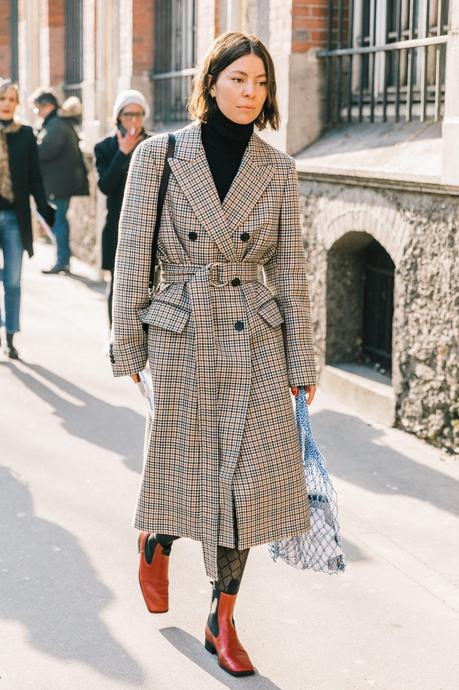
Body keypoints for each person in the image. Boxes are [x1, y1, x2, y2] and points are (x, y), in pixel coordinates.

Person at [110, 32, 317, 677]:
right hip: (179, 328)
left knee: (246, 480)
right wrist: (128, 341)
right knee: (177, 460)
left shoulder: (277, 169)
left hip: (253, 338)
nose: (249, 92)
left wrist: (301, 359)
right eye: (237, 79)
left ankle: (222, 616)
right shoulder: (160, 156)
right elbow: (132, 252)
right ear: (211, 82)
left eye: (259, 82)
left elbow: (293, 270)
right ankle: (159, 538)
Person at [0, 79, 55, 359]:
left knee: (12, 280)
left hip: (13, 216)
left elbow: (35, 176)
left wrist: (45, 208)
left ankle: (10, 337)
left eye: (11, 99)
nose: (7, 104)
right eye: (2, 99)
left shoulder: (25, 134)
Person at [94, 90, 151, 328]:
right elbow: (106, 185)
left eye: (139, 114)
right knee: (117, 285)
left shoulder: (153, 144)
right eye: (129, 114)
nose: (134, 121)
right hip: (117, 225)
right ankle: (114, 337)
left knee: (148, 287)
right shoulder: (105, 148)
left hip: (149, 225)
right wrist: (123, 152)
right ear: (119, 116)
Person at [31, 88, 89, 274]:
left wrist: (32, 142)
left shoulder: (55, 125)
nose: (37, 113)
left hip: (59, 184)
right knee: (58, 221)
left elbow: (44, 152)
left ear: (48, 106)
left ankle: (62, 261)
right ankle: (62, 259)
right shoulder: (56, 122)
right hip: (60, 182)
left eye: (38, 109)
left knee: (58, 222)